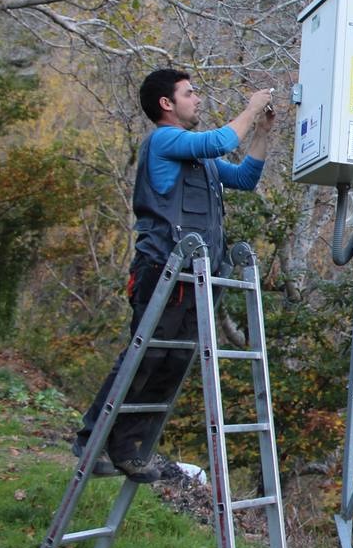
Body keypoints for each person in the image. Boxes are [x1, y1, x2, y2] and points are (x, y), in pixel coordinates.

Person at [74, 68, 277, 483]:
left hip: (191, 278)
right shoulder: (165, 141)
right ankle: (90, 439)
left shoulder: (200, 161)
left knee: (172, 361)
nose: (197, 99)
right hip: (162, 271)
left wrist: (263, 132)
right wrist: (250, 108)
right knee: (145, 356)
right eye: (190, 93)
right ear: (167, 104)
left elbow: (244, 178)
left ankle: (128, 448)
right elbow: (222, 139)